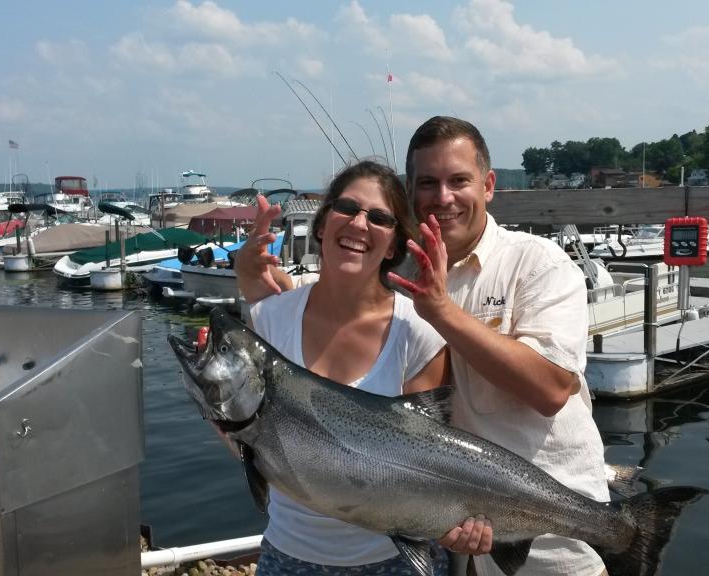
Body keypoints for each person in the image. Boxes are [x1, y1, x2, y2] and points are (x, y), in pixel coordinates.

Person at [239, 117, 608, 576]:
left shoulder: (535, 263)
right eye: (428, 183)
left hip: (554, 542)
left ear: (488, 185)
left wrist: (441, 311)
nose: (444, 197)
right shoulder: (403, 274)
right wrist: (257, 283)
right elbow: (336, 304)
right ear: (412, 193)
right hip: (457, 534)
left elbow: (551, 390)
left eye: (459, 181)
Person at [246, 160, 453, 575]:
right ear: (322, 225)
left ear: (393, 246)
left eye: (379, 218)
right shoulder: (268, 319)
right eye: (347, 208)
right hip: (289, 555)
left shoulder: (419, 332)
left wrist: (458, 522)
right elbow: (249, 441)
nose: (359, 224)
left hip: (394, 561)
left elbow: (429, 463)